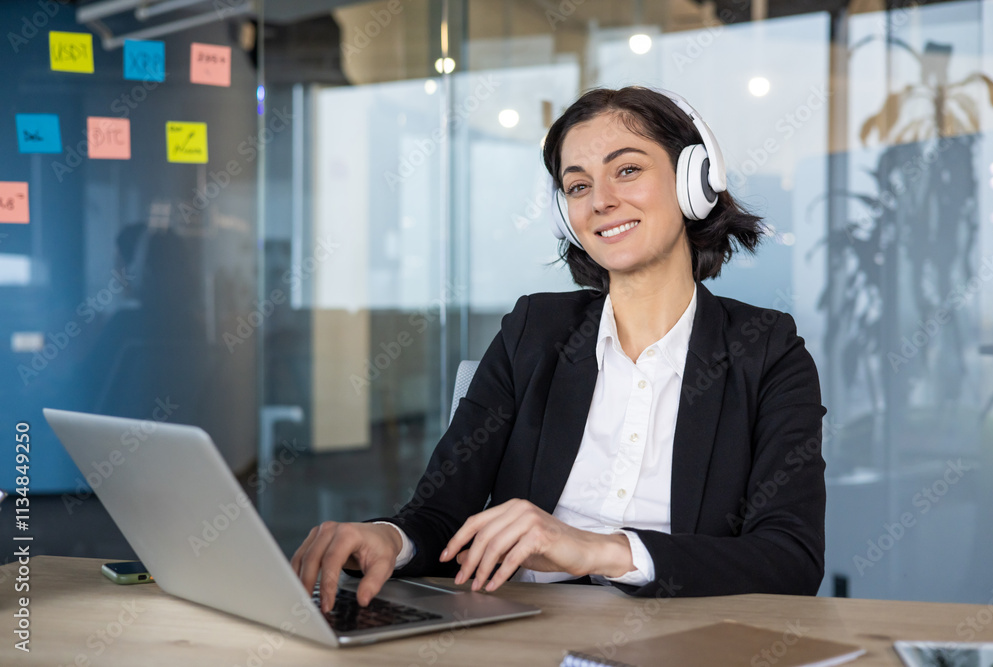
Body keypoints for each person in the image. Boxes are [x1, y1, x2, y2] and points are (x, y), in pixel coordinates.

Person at [292, 86, 826, 613]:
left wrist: (592, 549)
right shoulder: (534, 331)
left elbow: (790, 558)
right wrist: (389, 538)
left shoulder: (767, 350)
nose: (601, 201)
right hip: (519, 634)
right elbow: (437, 516)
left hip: (680, 638)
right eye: (577, 186)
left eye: (627, 170)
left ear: (694, 184)